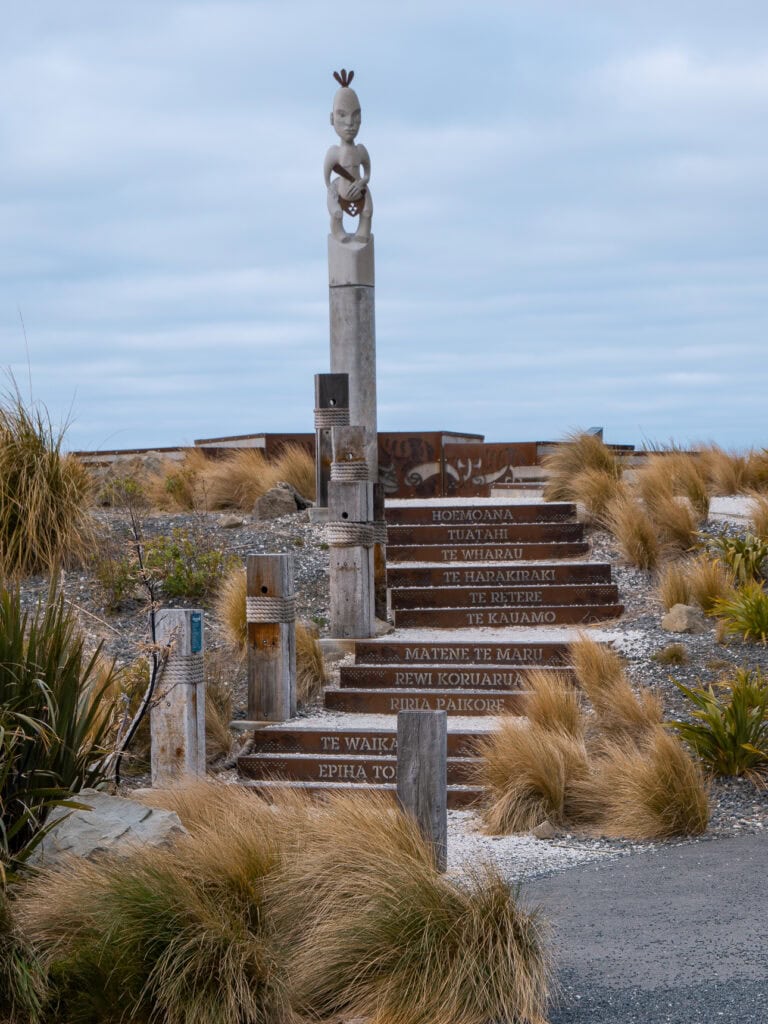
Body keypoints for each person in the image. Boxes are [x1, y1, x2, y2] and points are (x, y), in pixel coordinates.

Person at [324, 69, 373, 241]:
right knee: (336, 213)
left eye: (355, 116)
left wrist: (363, 182)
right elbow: (327, 178)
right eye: (342, 115)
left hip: (359, 189)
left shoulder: (360, 150)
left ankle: (363, 231)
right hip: (341, 191)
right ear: (332, 119)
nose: (350, 124)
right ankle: (338, 231)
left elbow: (367, 171)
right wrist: (332, 190)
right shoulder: (334, 153)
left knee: (367, 211)